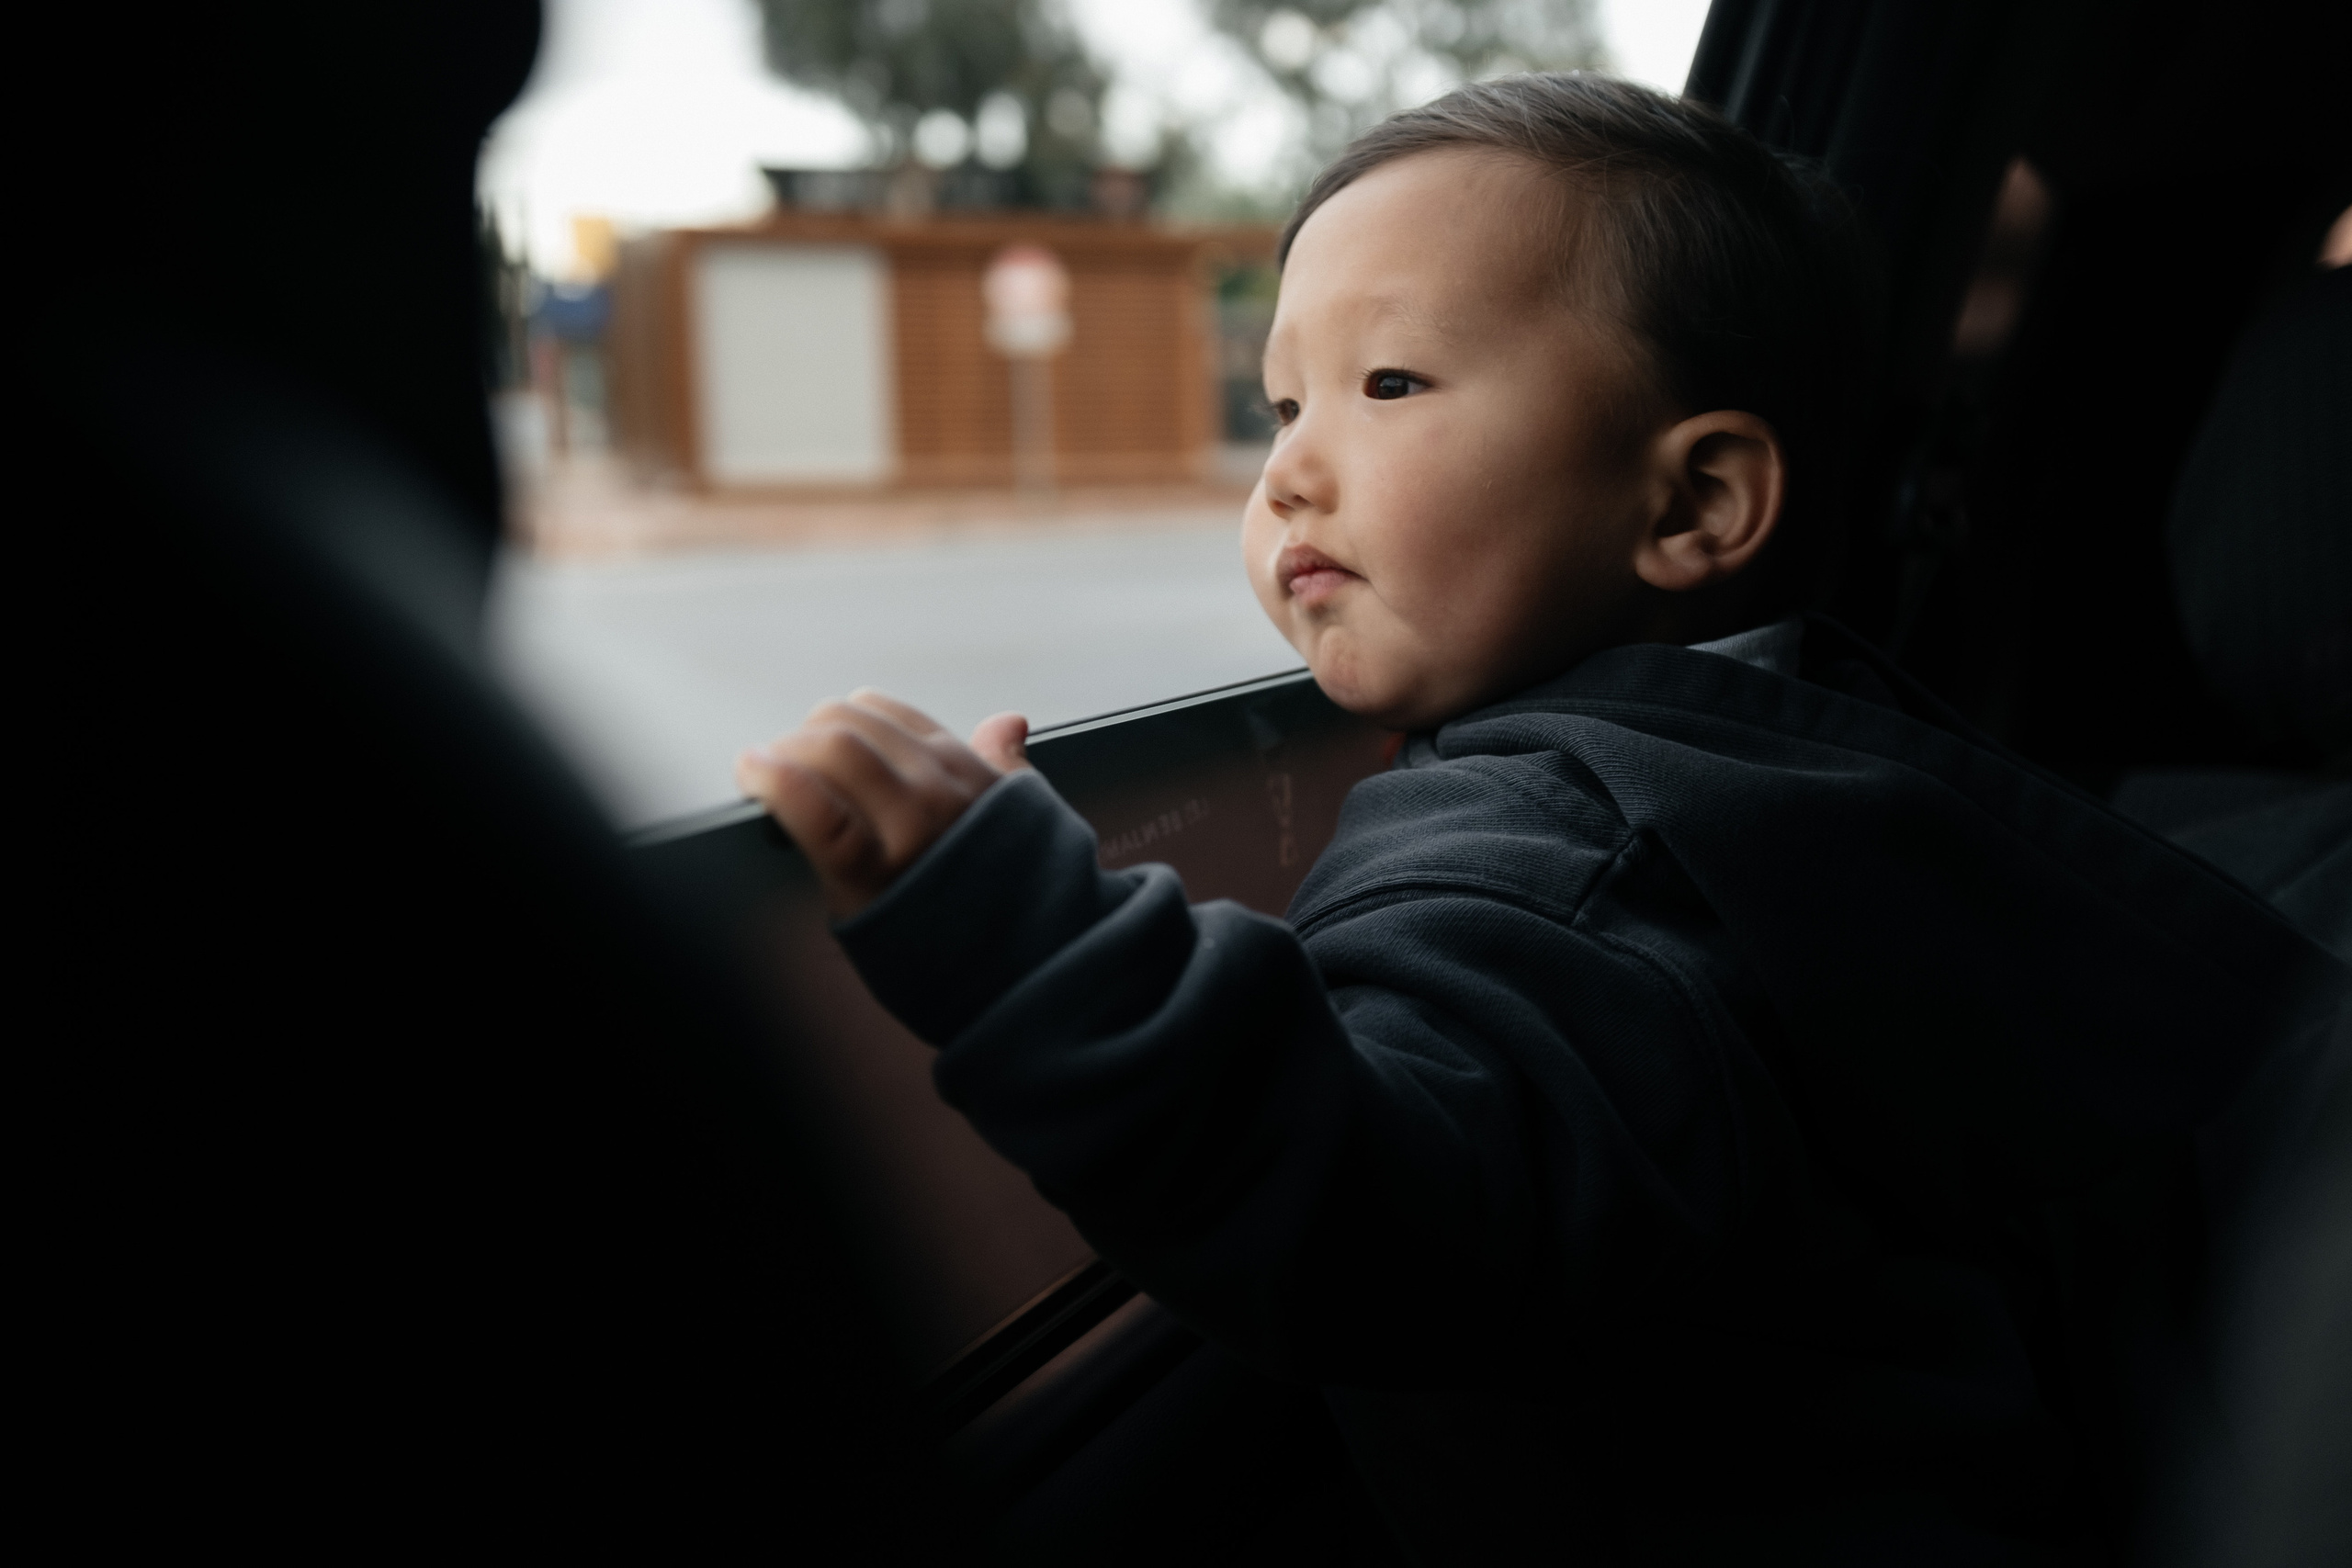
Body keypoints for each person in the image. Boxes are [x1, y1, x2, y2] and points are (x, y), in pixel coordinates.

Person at [736, 76, 2345, 1562]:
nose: (1289, 471)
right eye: (1280, 404)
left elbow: (1380, 1213)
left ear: (1693, 504)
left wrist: (1032, 943)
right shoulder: (1800, 766)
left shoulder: (1571, 859)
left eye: (1387, 381)